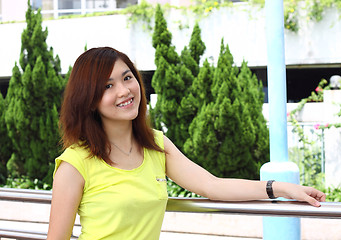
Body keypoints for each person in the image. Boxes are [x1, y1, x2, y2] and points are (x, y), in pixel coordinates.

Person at [47, 47, 326, 240]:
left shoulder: (155, 144)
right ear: (89, 100)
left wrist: (279, 187)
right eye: (107, 86)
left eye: (127, 77)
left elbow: (211, 185)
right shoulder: (76, 163)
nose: (124, 91)